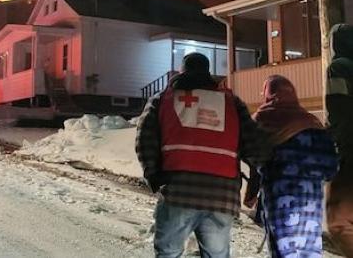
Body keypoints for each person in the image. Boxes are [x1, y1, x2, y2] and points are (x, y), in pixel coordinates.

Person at [136, 52, 270, 258]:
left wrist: (152, 174)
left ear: (182, 71)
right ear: (208, 72)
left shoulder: (164, 98)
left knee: (168, 253)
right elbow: (255, 147)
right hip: (221, 196)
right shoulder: (231, 102)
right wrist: (260, 182)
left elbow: (145, 138)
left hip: (177, 191)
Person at [245, 75, 338, 258]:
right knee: (309, 250)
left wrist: (250, 194)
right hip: (311, 200)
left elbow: (251, 158)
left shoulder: (260, 120)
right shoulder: (313, 123)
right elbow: (330, 167)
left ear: (268, 93)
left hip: (278, 196)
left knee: (284, 249)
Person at [325, 23, 353, 256]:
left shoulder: (339, 67)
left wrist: (335, 138)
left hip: (348, 146)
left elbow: (338, 106)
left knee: (340, 220)